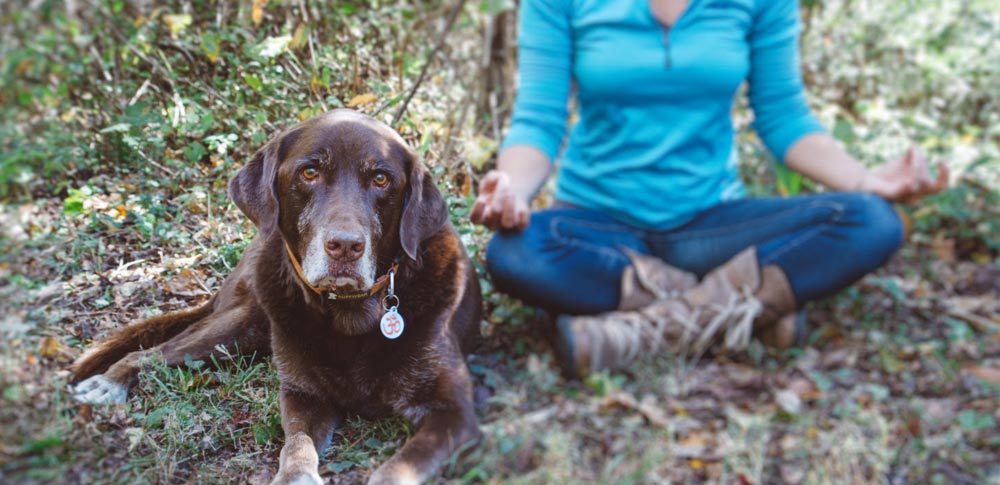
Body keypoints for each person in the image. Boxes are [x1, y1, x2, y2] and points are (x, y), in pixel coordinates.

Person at [469, 0, 949, 379]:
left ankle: (638, 331)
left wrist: (868, 181)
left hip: (714, 226)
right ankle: (751, 311)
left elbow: (784, 116)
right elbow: (539, 117)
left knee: (872, 220)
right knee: (516, 253)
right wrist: (512, 187)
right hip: (601, 229)